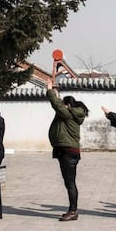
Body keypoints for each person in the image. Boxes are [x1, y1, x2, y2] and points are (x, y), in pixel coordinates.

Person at [47, 79, 89, 222]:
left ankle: (73, 211)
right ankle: (72, 210)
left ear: (69, 105)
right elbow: (59, 107)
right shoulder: (70, 113)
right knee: (69, 182)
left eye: (64, 105)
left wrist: (50, 91)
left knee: (70, 182)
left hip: (68, 152)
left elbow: (58, 107)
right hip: (66, 151)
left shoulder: (70, 114)